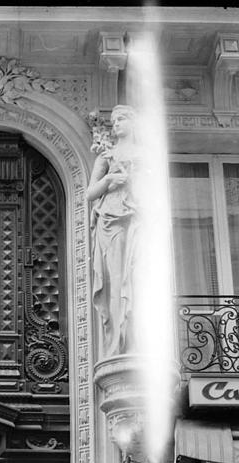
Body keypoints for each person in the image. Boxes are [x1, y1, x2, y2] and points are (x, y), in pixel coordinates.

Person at [86, 105, 142, 359]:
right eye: (114, 120)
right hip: (110, 218)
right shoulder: (107, 155)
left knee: (135, 278)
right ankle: (116, 345)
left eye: (121, 119)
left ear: (133, 122)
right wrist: (109, 180)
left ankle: (135, 342)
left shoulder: (145, 155)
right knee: (115, 279)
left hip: (136, 217)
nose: (116, 124)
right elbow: (89, 193)